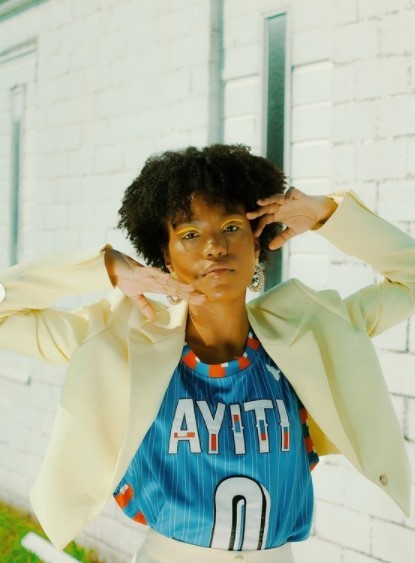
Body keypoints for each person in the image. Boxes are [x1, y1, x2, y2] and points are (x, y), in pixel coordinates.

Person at [0, 144, 413, 563]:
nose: (214, 246)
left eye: (232, 227)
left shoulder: (310, 331)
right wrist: (100, 267)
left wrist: (327, 214)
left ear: (258, 241)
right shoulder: (122, 343)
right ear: (165, 256)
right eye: (190, 234)